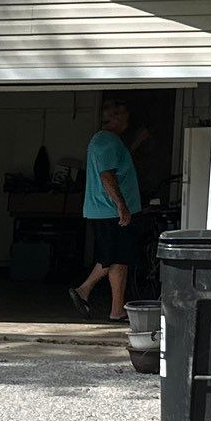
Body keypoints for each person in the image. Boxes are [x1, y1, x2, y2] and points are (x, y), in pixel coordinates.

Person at [72, 96, 143, 320]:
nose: (128, 120)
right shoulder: (106, 141)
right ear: (114, 117)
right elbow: (106, 175)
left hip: (110, 211)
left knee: (120, 258)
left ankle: (116, 310)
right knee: (111, 257)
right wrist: (121, 205)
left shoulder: (110, 141)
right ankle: (83, 290)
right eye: (124, 115)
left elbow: (116, 165)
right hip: (109, 211)